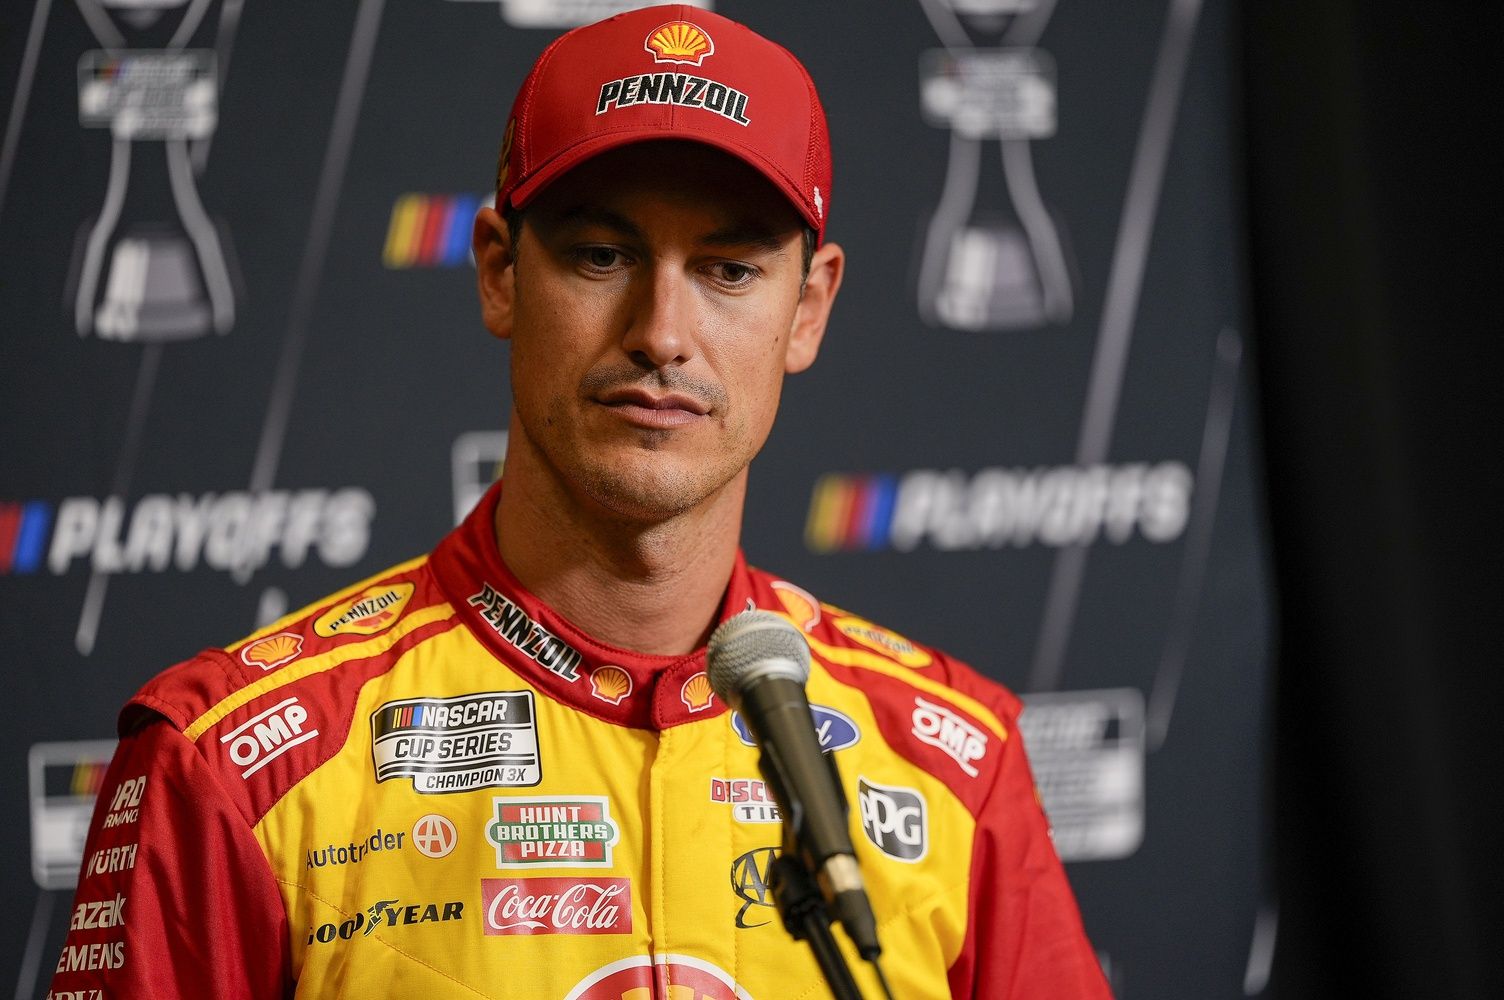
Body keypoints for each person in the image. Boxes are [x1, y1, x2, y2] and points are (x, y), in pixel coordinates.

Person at [48, 6, 1111, 998]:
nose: (661, 330)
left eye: (730, 270)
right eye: (601, 255)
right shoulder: (233, 763)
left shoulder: (957, 764)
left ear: (810, 306)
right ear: (501, 274)